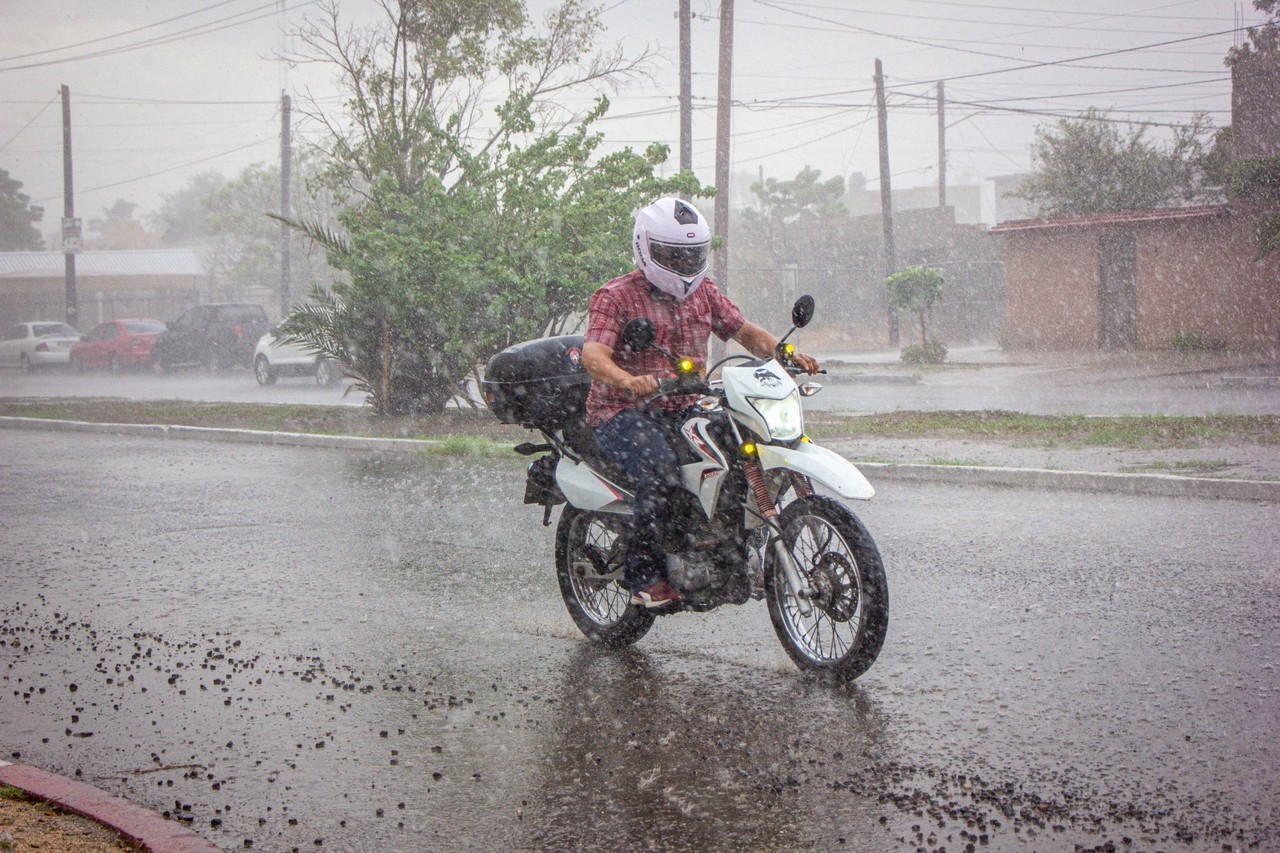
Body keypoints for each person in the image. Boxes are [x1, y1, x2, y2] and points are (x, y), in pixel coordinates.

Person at [581, 197, 820, 609]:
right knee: (661, 472)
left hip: (687, 405)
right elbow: (593, 356)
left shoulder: (703, 291)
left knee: (743, 454)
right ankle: (644, 575)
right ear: (646, 247)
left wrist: (785, 353)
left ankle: (731, 546)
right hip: (623, 412)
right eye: (673, 254)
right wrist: (629, 380)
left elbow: (744, 332)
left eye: (692, 254)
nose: (684, 263)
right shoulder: (616, 297)